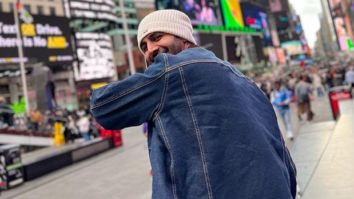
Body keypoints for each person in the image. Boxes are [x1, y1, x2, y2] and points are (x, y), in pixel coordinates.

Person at [91, 10, 296, 198]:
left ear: (184, 38)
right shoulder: (247, 82)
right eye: (144, 46)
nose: (150, 50)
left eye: (157, 37)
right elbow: (283, 156)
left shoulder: (170, 70)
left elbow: (103, 107)